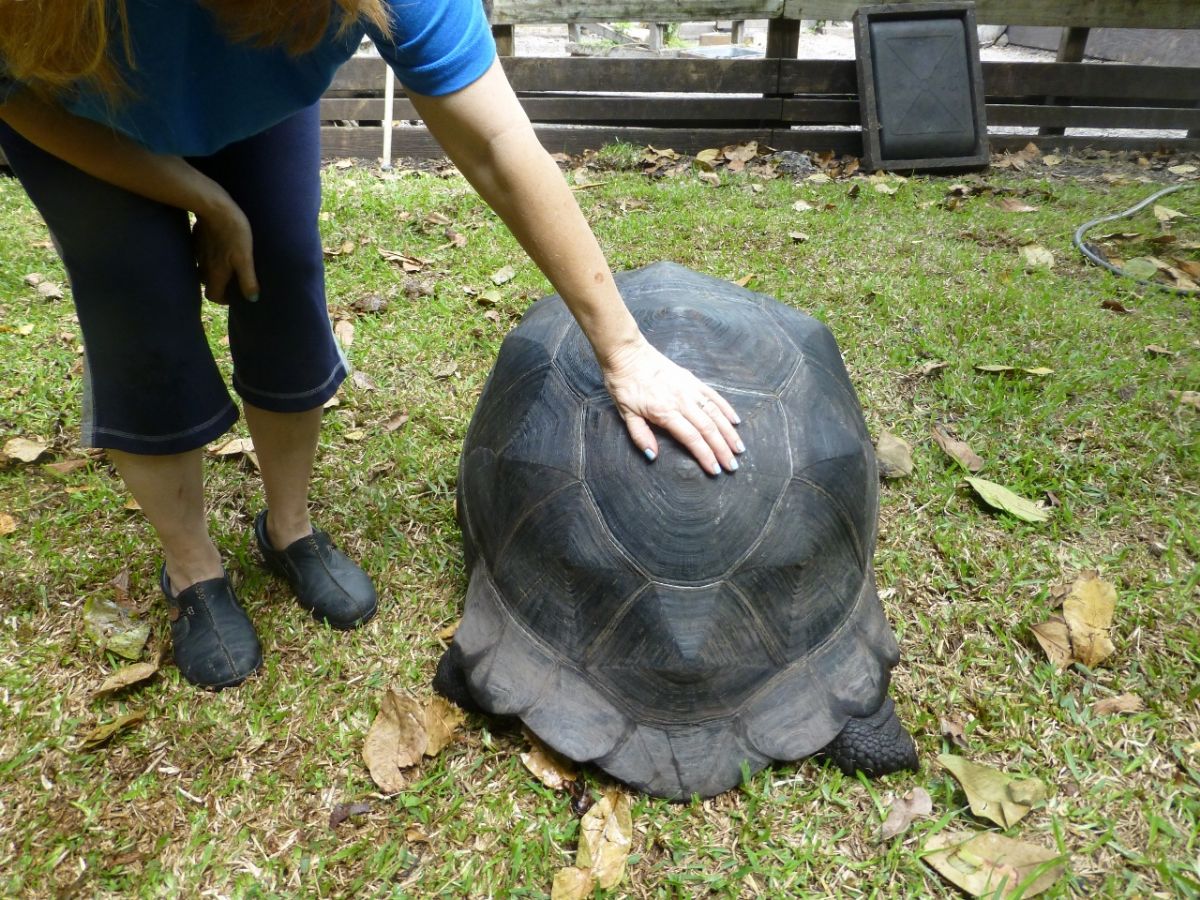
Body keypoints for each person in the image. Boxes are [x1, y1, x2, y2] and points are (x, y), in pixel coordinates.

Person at [0, 0, 744, 690]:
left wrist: (623, 347)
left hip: (254, 82)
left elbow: (494, 141)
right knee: (136, 298)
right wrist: (203, 199)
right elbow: (15, 91)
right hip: (73, 99)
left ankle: (288, 529)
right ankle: (191, 569)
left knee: (284, 265)